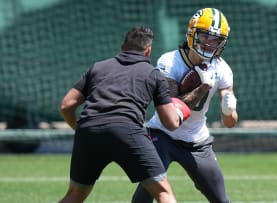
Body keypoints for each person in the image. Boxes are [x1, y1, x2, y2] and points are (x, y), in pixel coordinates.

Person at [58, 26, 191, 203]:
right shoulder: (153, 74)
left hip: (89, 131)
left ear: (122, 47)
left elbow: (66, 105)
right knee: (162, 192)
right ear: (148, 51)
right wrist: (180, 111)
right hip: (127, 131)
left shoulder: (98, 67)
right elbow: (170, 123)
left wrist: (80, 128)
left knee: (75, 194)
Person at [132, 8, 238, 203]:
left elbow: (229, 123)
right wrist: (203, 87)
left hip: (197, 140)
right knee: (146, 192)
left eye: (215, 39)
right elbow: (169, 108)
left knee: (221, 199)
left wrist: (228, 109)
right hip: (162, 134)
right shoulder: (169, 61)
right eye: (205, 36)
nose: (209, 43)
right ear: (192, 33)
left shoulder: (222, 68)